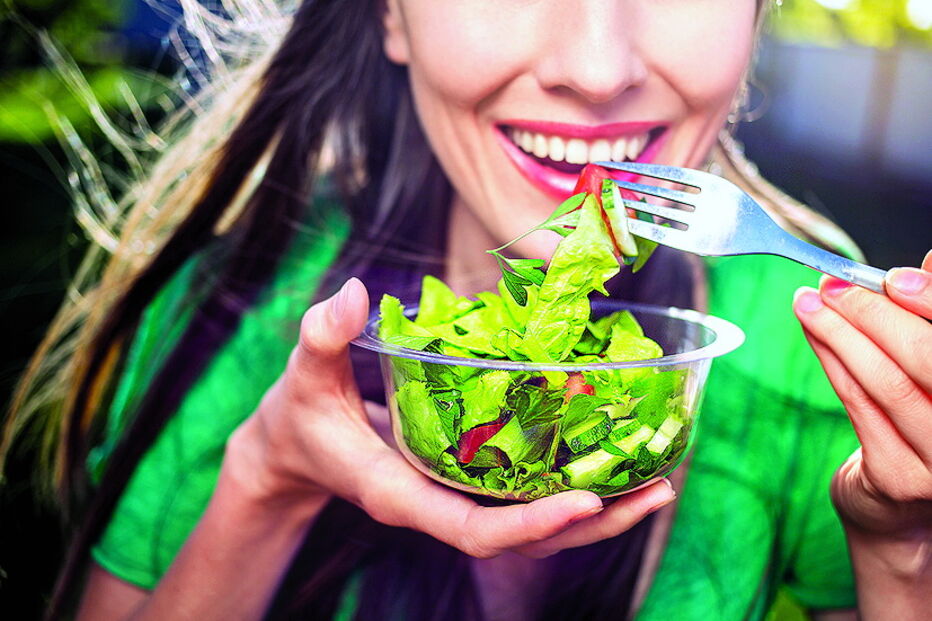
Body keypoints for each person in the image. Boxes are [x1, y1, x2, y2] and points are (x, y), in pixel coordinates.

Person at [4, 1, 930, 619]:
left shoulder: (819, 341)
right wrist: (268, 476)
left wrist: (902, 545)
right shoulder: (240, 312)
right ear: (391, 13)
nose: (598, 68)